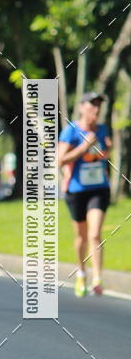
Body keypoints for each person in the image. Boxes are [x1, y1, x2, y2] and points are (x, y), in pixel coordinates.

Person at [58, 91, 112, 296]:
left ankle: (97, 278)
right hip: (76, 190)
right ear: (82, 107)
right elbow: (60, 160)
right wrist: (84, 146)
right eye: (92, 105)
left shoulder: (103, 129)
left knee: (95, 233)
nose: (96, 110)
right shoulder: (70, 132)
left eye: (98, 106)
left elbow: (102, 156)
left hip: (99, 189)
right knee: (81, 237)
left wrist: (106, 150)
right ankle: (81, 273)